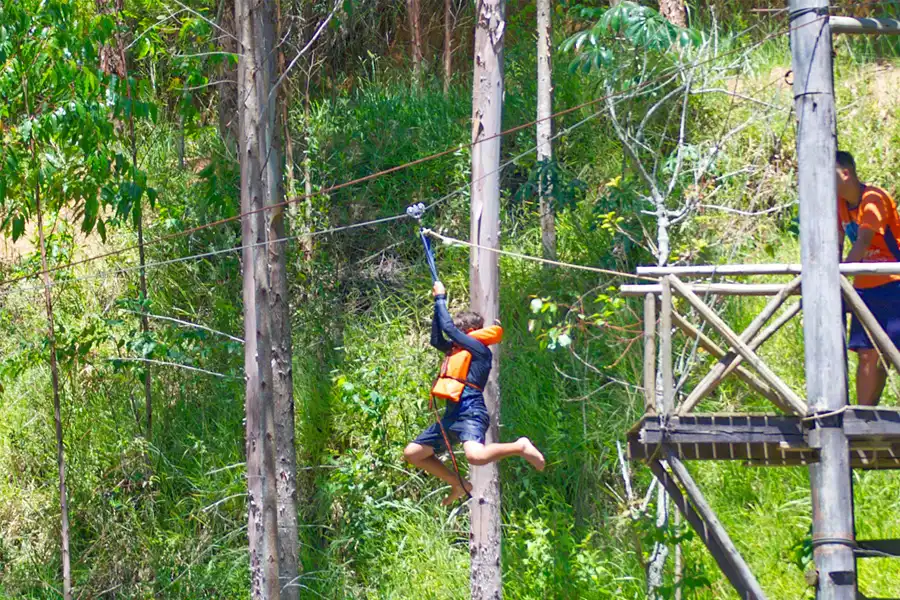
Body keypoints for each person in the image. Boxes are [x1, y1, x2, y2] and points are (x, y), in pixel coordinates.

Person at [403, 281, 545, 505]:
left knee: (475, 456)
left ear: (470, 333)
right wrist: (435, 302)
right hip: (452, 414)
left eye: (459, 334)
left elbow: (448, 330)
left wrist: (441, 298)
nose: (454, 338)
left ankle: (520, 446)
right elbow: (437, 339)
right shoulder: (456, 350)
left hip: (471, 410)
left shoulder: (479, 349)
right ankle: (458, 483)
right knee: (413, 453)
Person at [836, 150, 900, 405]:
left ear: (845, 173)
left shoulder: (872, 199)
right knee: (867, 354)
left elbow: (863, 241)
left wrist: (840, 275)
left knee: (892, 352)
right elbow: (837, 244)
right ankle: (863, 418)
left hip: (893, 282)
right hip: (864, 286)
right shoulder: (838, 205)